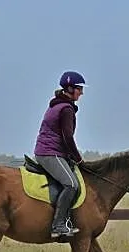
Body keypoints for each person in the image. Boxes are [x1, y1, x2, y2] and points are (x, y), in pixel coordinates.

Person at [34, 70, 87, 240]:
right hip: (50, 153)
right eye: (79, 88)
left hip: (52, 151)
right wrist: (78, 159)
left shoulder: (58, 105)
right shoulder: (66, 109)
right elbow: (67, 137)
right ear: (70, 88)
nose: (81, 92)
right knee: (71, 184)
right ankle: (58, 225)